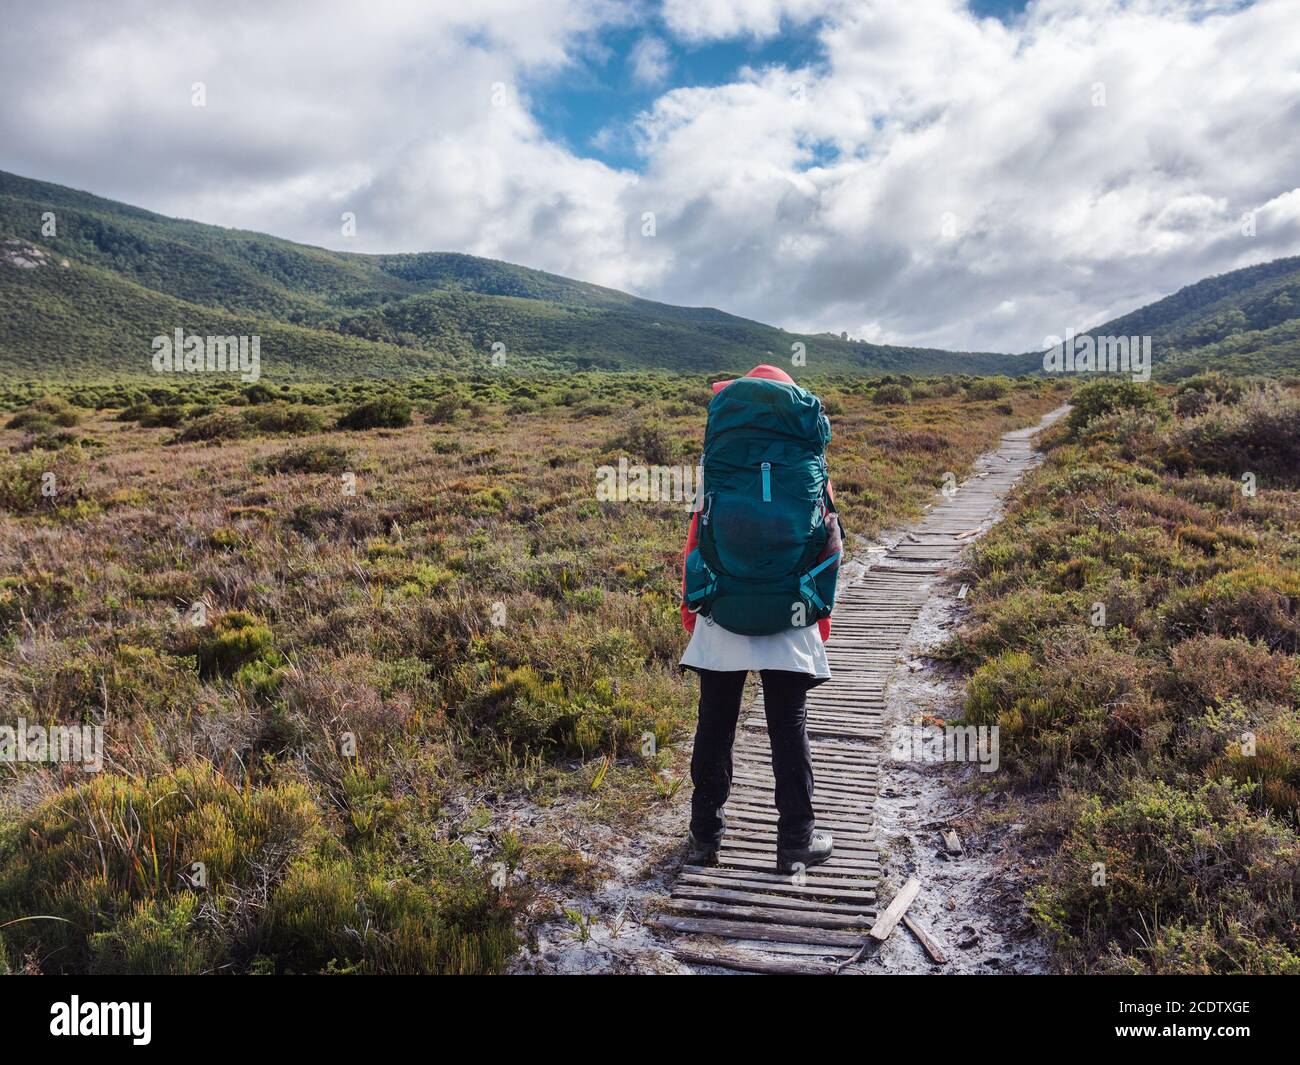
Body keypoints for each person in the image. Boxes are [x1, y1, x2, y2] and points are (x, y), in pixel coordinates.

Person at [678, 365, 840, 874]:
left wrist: (692, 606)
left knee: (715, 723)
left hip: (723, 606)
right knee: (788, 728)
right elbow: (827, 539)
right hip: (790, 611)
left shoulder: (720, 458)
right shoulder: (807, 459)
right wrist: (819, 617)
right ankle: (795, 842)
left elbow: (698, 534)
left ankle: (705, 837)